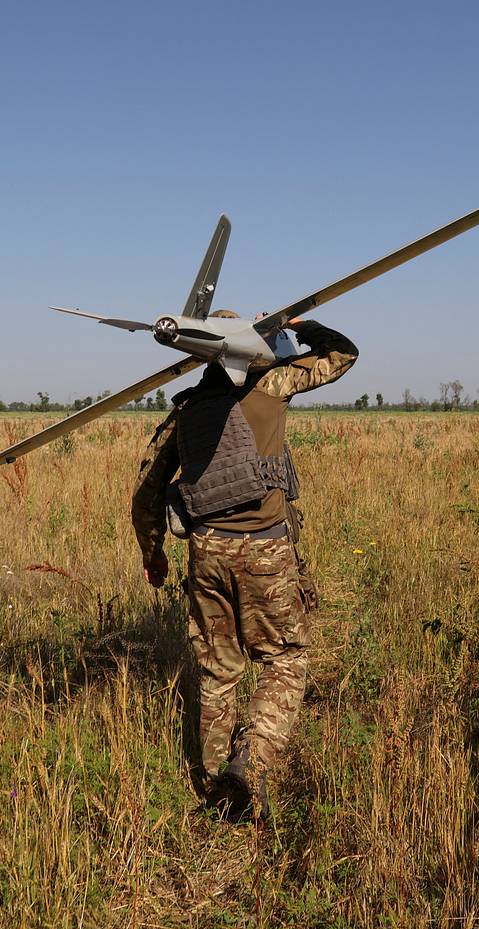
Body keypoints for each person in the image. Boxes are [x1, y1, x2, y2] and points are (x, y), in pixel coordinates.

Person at [131, 309, 358, 820]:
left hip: (206, 552)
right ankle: (250, 764)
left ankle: (215, 793)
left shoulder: (185, 412)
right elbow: (343, 354)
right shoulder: (273, 384)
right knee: (284, 661)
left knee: (218, 672)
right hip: (265, 551)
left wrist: (153, 554)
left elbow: (146, 493)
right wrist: (301, 325)